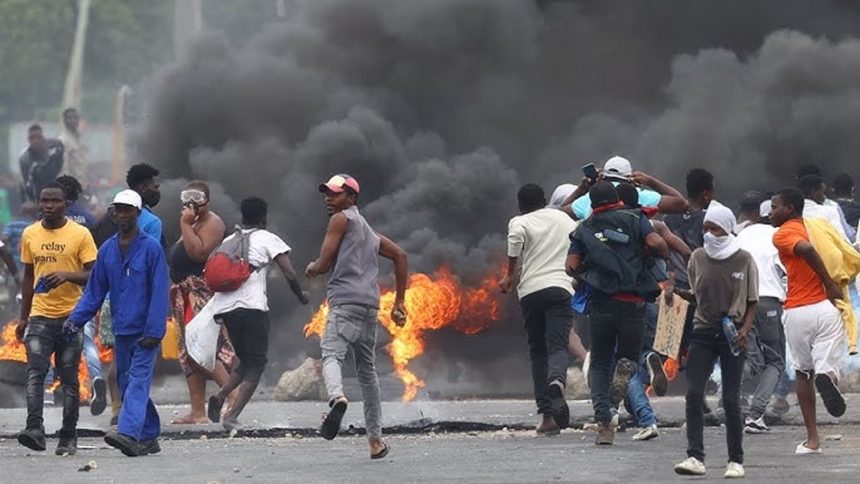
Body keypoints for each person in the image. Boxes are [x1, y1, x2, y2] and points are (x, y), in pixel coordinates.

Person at [306, 173, 408, 459]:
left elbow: (324, 264)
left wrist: (312, 268)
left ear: (352, 198)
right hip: (369, 307)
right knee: (367, 374)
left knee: (331, 356)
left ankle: (336, 397)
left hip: (345, 302)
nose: (329, 198)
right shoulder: (368, 231)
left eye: (336, 194)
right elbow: (401, 255)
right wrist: (400, 303)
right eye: (327, 193)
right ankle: (376, 441)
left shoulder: (341, 219)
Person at [65, 190, 169, 457]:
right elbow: (95, 291)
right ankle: (149, 435)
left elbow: (159, 291)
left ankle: (128, 432)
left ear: (137, 212)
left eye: (127, 210)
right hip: (122, 329)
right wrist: (75, 320)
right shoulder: (108, 250)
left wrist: (155, 330)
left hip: (146, 330)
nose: (122, 215)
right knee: (125, 382)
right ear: (113, 213)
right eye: (118, 210)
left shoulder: (151, 249)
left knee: (136, 380)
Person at [566, 181, 668, 445]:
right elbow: (658, 244)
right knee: (627, 359)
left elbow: (571, 266)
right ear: (617, 200)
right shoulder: (636, 219)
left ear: (593, 204)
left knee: (599, 363)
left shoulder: (584, 229)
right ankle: (624, 379)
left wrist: (593, 267)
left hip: (601, 305)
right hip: (634, 303)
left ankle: (604, 424)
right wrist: (645, 256)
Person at [206, 196, 309, 430]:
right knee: (258, 363)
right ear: (264, 217)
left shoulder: (231, 239)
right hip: (252, 309)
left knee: (246, 359)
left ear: (243, 217)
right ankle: (231, 416)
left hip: (226, 309)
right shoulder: (267, 238)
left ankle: (221, 395)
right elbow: (290, 274)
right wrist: (301, 296)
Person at [672, 204, 757, 478]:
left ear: (727, 228)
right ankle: (695, 457)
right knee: (694, 393)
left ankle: (736, 460)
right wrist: (674, 292)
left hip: (732, 333)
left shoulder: (743, 259)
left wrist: (744, 329)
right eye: (706, 228)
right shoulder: (697, 257)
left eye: (715, 228)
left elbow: (752, 300)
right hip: (703, 330)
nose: (709, 233)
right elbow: (696, 295)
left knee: (731, 399)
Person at [15, 182, 97, 456]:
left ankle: (68, 436)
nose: (48, 206)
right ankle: (34, 429)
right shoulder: (30, 234)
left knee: (69, 379)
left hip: (71, 318)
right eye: (44, 201)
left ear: (66, 205)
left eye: (54, 201)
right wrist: (23, 317)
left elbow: (94, 275)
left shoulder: (80, 234)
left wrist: (66, 275)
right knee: (35, 374)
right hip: (39, 315)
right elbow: (29, 276)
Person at [770, 187, 847, 454]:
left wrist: (827, 282)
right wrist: (834, 286)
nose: (770, 213)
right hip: (826, 308)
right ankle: (828, 377)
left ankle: (813, 440)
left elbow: (806, 249)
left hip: (799, 311)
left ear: (789, 208)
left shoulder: (783, 234)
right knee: (827, 363)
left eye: (774, 206)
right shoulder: (818, 227)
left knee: (804, 373)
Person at [500, 184, 578, 436]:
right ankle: (557, 380)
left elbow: (515, 241)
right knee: (557, 345)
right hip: (560, 287)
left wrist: (509, 275)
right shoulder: (565, 219)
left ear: (520, 205)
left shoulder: (520, 221)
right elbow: (580, 244)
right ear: (545, 201)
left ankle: (547, 416)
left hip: (531, 291)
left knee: (537, 351)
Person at [168, 180, 234, 424]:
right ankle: (198, 411)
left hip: (199, 294)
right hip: (183, 294)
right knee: (187, 353)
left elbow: (199, 253)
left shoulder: (212, 223)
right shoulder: (194, 222)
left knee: (200, 347)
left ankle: (233, 396)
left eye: (197, 197)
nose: (192, 202)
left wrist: (185, 223)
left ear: (208, 201)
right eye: (187, 196)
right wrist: (188, 223)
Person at [54, 175, 104, 415]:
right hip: (85, 287)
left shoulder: (51, 218)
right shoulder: (89, 218)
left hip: (56, 289)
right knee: (87, 340)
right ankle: (95, 377)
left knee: (53, 340)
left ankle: (51, 389)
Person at [735, 201, 786, 434]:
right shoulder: (778, 235)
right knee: (775, 361)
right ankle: (756, 415)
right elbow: (785, 272)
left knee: (753, 360)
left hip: (742, 302)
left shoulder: (743, 235)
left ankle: (731, 383)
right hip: (767, 301)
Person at [562, 157, 689, 220]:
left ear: (603, 176)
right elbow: (681, 203)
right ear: (630, 178)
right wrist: (651, 181)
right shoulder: (638, 195)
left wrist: (582, 189)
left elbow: (560, 212)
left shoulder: (590, 198)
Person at [19, 124, 64, 202]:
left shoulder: (53, 147)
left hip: (56, 188)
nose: (35, 140)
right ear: (28, 140)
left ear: (43, 138)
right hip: (38, 193)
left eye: (38, 137)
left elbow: (60, 166)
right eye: (32, 138)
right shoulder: (25, 159)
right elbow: (27, 182)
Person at [798, 174, 848, 240]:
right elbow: (841, 239)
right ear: (814, 193)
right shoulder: (829, 211)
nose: (824, 197)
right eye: (823, 192)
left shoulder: (792, 213)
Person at [2, 201, 37, 273]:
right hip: (31, 263)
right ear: (34, 213)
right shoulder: (36, 226)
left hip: (14, 262)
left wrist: (5, 255)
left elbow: (3, 239)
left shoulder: (12, 224)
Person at [58, 108, 89, 185]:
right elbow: (64, 168)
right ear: (64, 121)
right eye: (70, 118)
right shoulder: (63, 140)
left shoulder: (79, 139)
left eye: (75, 117)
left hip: (82, 183)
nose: (73, 120)